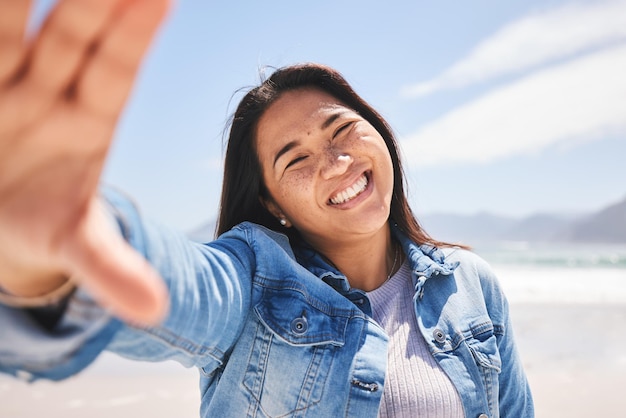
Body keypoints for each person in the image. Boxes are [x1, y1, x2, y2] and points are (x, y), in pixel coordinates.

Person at [0, 1, 533, 417]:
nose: (335, 162)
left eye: (343, 129)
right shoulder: (254, 283)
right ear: (272, 205)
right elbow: (184, 287)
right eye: (295, 159)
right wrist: (48, 259)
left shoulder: (468, 284)